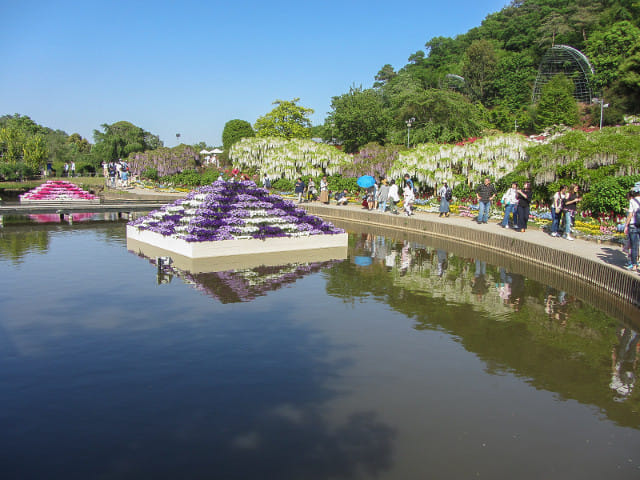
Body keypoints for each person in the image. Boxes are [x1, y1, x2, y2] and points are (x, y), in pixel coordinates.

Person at [623, 182, 640, 271]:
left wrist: (626, 225)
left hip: (633, 225)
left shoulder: (632, 201)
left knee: (634, 246)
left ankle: (634, 265)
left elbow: (630, 214)